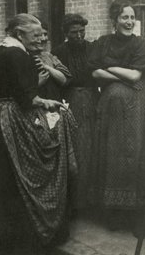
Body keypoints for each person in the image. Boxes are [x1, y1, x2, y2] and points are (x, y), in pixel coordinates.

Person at [0, 13, 77, 255]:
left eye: (41, 35)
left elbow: (14, 90)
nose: (40, 39)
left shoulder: (0, 51)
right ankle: (18, 245)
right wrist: (49, 102)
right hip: (13, 121)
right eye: (35, 35)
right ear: (19, 34)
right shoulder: (17, 55)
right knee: (19, 181)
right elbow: (28, 98)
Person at [88, 0, 145, 230]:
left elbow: (136, 77)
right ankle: (115, 215)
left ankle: (140, 219)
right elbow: (94, 72)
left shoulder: (143, 44)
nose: (129, 22)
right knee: (113, 156)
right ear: (114, 20)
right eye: (124, 17)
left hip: (139, 106)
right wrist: (120, 72)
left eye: (131, 17)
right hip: (111, 109)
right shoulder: (103, 42)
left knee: (139, 155)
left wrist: (107, 67)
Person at [52, 14, 99, 211]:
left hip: (92, 102)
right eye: (74, 33)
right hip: (69, 103)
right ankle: (74, 204)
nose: (79, 36)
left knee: (92, 148)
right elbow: (57, 82)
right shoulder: (58, 52)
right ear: (66, 34)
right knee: (74, 151)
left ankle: (91, 201)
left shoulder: (92, 49)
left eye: (82, 31)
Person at [30, 22, 72, 101]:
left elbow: (64, 80)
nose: (43, 38)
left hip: (54, 105)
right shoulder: (23, 56)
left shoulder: (50, 56)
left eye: (45, 34)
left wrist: (47, 67)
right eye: (37, 36)